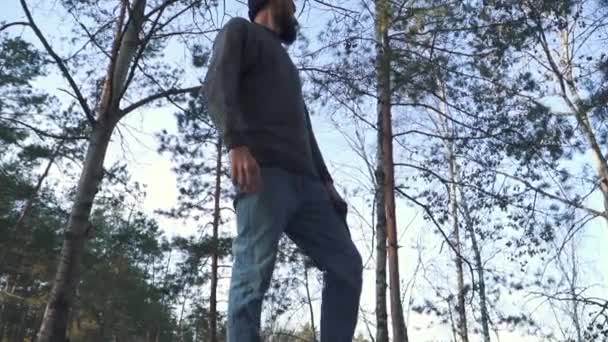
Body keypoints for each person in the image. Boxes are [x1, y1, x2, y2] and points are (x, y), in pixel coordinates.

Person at [202, 0, 363, 340]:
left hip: (309, 186)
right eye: (292, 4)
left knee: (346, 265)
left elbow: (304, 128)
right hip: (265, 176)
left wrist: (327, 181)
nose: (295, 12)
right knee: (251, 278)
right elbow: (216, 85)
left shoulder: (287, 65)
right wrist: (236, 144)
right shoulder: (240, 31)